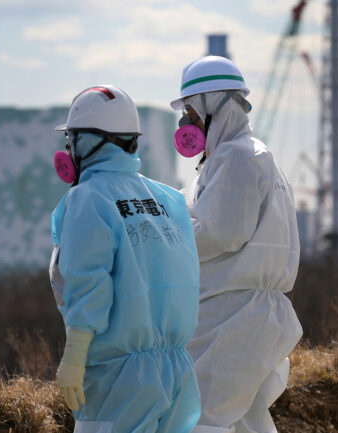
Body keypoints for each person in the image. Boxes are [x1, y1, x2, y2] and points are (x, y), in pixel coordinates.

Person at [49, 85, 202, 433]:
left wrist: (75, 355)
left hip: (118, 379)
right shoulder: (168, 200)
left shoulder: (89, 198)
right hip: (176, 371)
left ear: (90, 142)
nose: (68, 149)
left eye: (72, 139)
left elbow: (89, 283)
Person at [170, 56, 304, 433]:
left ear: (216, 105)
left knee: (201, 419)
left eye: (192, 112)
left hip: (233, 314)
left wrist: (165, 231)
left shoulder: (237, 156)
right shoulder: (241, 156)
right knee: (246, 422)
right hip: (247, 313)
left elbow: (219, 233)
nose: (187, 124)